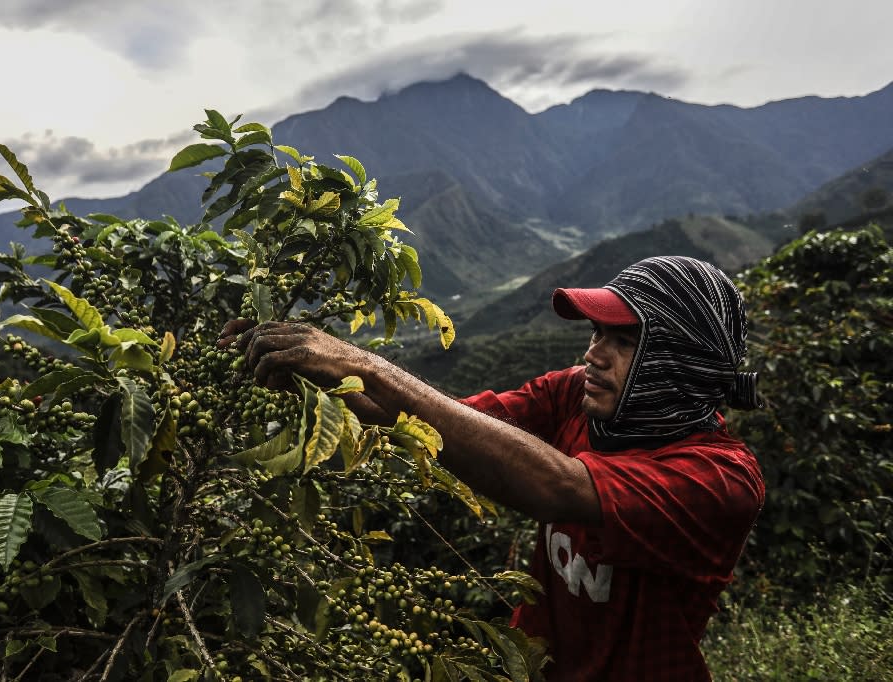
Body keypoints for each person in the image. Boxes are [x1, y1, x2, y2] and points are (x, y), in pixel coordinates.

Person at [219, 256, 765, 681]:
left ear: (674, 363)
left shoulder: (719, 479)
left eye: (623, 342)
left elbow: (558, 487)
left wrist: (364, 364)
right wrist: (319, 377)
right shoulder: (578, 395)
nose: (594, 354)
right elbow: (448, 426)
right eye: (597, 334)